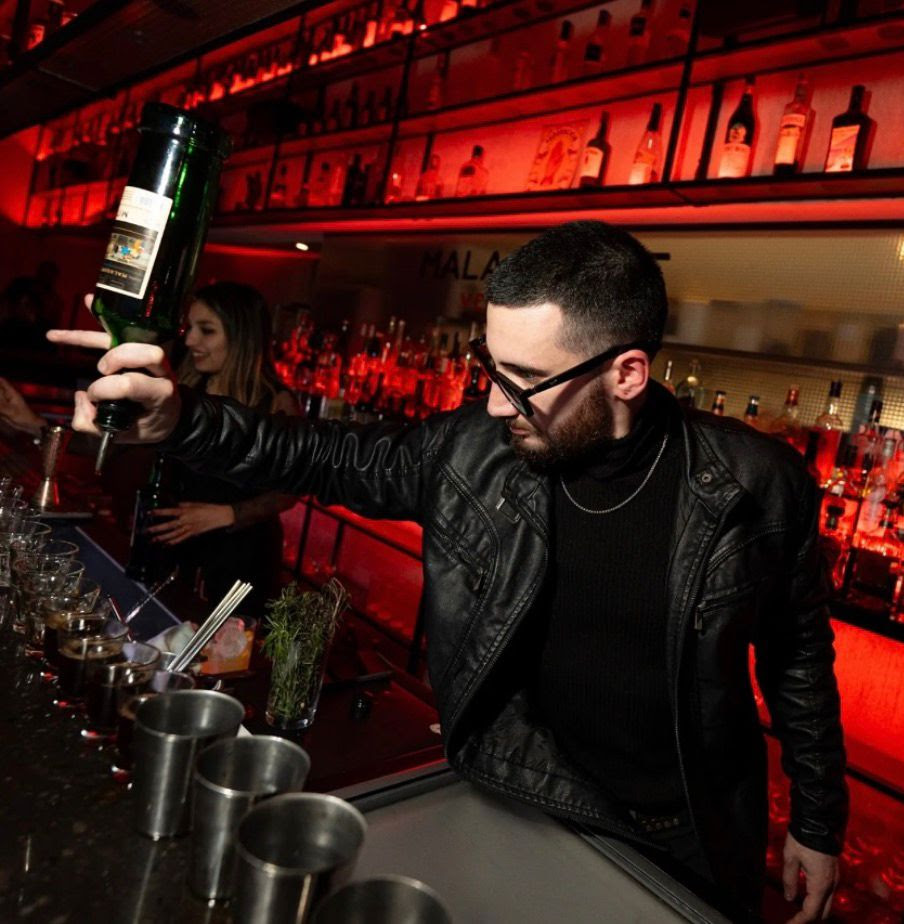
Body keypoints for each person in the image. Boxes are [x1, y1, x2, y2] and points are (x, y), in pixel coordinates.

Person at [51, 221, 847, 922]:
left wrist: (818, 821)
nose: (497, 404)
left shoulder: (757, 485)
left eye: (523, 381)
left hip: (689, 831)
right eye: (489, 368)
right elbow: (326, 456)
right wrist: (182, 419)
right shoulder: (476, 449)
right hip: (518, 792)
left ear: (627, 375)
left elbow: (797, 654)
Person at [147, 281, 300, 608]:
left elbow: (290, 490)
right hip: (180, 545)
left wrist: (228, 514)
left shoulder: (274, 403)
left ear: (241, 336)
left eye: (207, 330)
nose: (190, 340)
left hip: (240, 555)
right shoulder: (187, 388)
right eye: (190, 328)